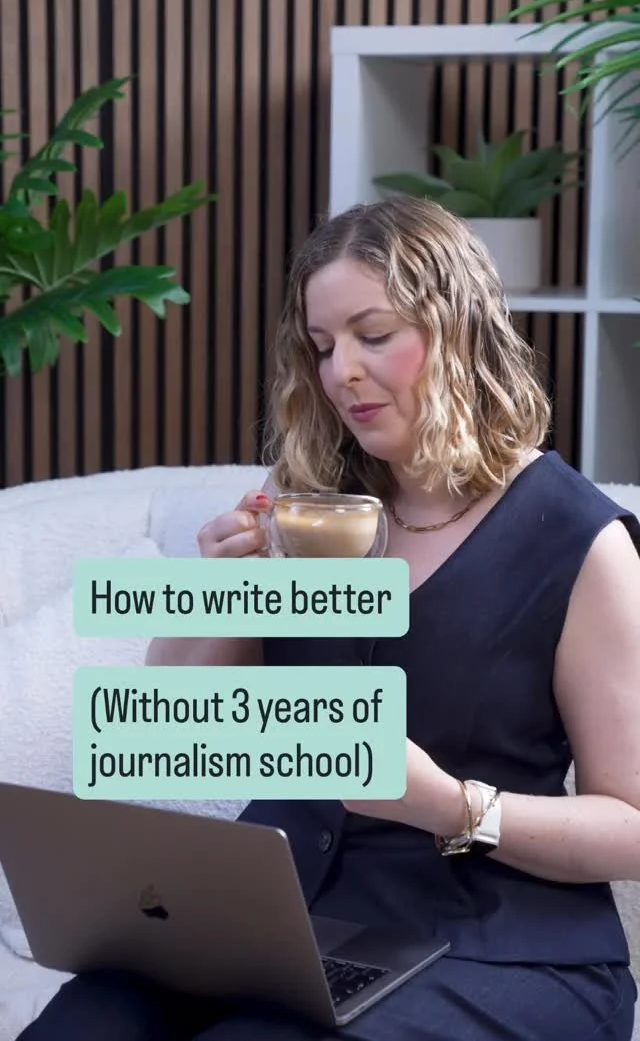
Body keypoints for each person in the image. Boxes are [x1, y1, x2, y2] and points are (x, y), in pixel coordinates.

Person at [20, 197, 640, 1040]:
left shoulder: (579, 540)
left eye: (373, 335)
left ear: (459, 330)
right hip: (282, 924)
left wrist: (451, 806)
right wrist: (226, 587)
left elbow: (631, 827)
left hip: (504, 952)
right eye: (321, 346)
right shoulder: (306, 504)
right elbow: (178, 711)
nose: (341, 370)